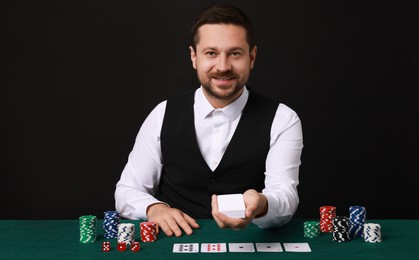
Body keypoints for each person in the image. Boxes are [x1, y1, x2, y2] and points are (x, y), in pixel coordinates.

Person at [115, 3, 303, 237]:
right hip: (173, 245)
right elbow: (127, 190)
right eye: (211, 53)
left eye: (235, 53)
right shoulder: (162, 114)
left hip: (251, 245)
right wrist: (154, 208)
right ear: (194, 56)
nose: (223, 67)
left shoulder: (283, 119)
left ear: (252, 57)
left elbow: (285, 197)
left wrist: (262, 204)